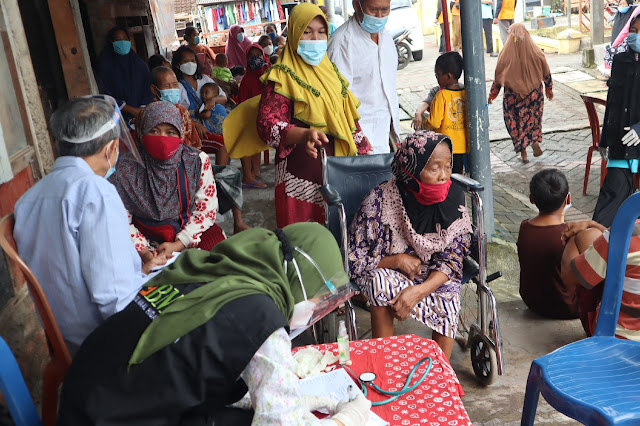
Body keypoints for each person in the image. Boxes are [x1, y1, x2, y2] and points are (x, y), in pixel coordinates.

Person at [57, 223, 372, 425]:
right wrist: (346, 420)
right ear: (298, 276)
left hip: (83, 399)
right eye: (317, 299)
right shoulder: (262, 318)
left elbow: (195, 358)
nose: (313, 309)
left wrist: (295, 398)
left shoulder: (206, 267)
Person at [13, 96, 167, 355]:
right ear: (111, 148)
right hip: (104, 340)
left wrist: (137, 268)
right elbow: (114, 300)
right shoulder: (95, 191)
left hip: (66, 337)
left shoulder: (28, 198)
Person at [224, 3, 371, 227]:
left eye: (321, 32)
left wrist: (364, 150)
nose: (315, 38)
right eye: (307, 31)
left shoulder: (331, 72)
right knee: (305, 242)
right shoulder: (281, 76)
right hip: (300, 173)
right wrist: (303, 134)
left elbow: (348, 118)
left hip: (338, 169)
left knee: (339, 237)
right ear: (294, 34)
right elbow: (267, 125)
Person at [348, 132, 472, 359]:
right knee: (379, 281)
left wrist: (418, 292)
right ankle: (386, 362)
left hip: (432, 277)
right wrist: (396, 260)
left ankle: (439, 370)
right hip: (390, 272)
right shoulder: (380, 201)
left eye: (448, 166)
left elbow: (453, 259)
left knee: (450, 289)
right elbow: (354, 258)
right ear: (412, 171)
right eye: (434, 168)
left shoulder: (454, 197)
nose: (444, 176)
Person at [109, 101, 225, 257]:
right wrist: (144, 250)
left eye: (170, 132)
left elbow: (206, 210)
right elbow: (120, 217)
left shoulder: (196, 161)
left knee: (217, 258)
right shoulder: (126, 169)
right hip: (142, 236)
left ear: (181, 134)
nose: (162, 138)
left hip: (188, 231)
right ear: (142, 133)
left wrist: (179, 244)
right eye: (154, 131)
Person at [148, 66, 249, 234]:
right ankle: (206, 224)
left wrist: (200, 165)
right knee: (211, 183)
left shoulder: (181, 111)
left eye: (174, 85)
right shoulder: (150, 115)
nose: (173, 90)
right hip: (168, 173)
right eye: (167, 87)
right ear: (155, 90)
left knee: (231, 174)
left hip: (190, 165)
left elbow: (193, 145)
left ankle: (237, 222)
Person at [327, 0, 400, 154]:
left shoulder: (385, 36)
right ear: (356, 5)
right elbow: (337, 99)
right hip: (360, 137)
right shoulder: (342, 42)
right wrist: (357, 138)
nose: (379, 16)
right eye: (373, 10)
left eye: (385, 10)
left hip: (388, 131)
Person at [593, 14, 640, 228]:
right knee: (606, 210)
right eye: (634, 30)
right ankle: (593, 253)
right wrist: (604, 139)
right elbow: (612, 103)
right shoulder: (621, 60)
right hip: (622, 145)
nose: (635, 36)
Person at [517, 169, 579, 319]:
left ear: (531, 199)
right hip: (568, 308)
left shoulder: (524, 227)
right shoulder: (570, 234)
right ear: (568, 199)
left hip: (533, 302)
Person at [488, 24, 553, 163]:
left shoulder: (505, 55)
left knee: (514, 121)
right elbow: (546, 73)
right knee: (533, 119)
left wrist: (492, 95)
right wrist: (549, 89)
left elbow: (499, 78)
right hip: (534, 95)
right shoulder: (536, 53)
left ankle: (523, 152)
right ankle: (534, 140)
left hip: (513, 95)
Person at [561, 219, 632, 339]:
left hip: (613, 337)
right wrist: (592, 224)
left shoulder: (624, 231)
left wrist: (573, 239)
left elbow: (568, 277)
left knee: (587, 238)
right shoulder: (624, 234)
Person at [173, 46, 230, 163]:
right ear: (178, 64)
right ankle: (222, 178)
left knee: (236, 133)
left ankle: (247, 175)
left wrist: (213, 100)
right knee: (222, 144)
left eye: (193, 61)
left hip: (212, 123)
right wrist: (194, 124)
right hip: (193, 130)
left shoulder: (204, 79)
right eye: (186, 61)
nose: (190, 64)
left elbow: (223, 97)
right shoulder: (177, 86)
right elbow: (175, 113)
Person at [97, 26, 154, 120]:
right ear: (111, 42)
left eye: (125, 39)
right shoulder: (105, 65)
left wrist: (141, 109)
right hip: (117, 117)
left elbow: (147, 87)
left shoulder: (138, 63)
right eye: (118, 39)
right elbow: (105, 93)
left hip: (142, 115)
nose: (122, 42)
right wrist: (131, 110)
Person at [423, 52, 467, 174]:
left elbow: (434, 123)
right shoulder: (466, 93)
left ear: (448, 76)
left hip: (446, 148)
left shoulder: (441, 95)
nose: (437, 78)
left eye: (438, 75)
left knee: (446, 176)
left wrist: (425, 123)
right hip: (463, 146)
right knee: (459, 176)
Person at [238, 43, 271, 190]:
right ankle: (248, 176)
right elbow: (242, 104)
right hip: (252, 115)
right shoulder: (247, 79)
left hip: (271, 114)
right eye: (250, 56)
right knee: (248, 137)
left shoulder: (270, 71)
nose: (255, 58)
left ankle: (255, 171)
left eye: (257, 54)